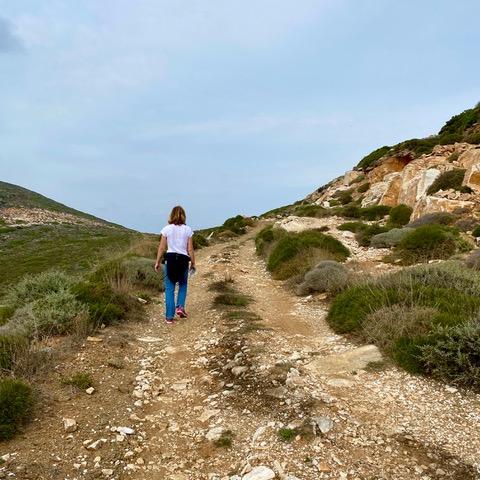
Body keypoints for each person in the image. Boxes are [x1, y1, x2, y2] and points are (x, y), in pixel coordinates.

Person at [155, 206, 196, 324]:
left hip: (171, 259)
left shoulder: (166, 229)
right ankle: (180, 307)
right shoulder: (188, 230)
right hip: (183, 260)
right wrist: (193, 263)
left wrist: (157, 261)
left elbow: (162, 247)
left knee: (169, 288)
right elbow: (190, 249)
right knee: (183, 284)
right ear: (183, 215)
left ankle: (169, 317)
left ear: (171, 215)